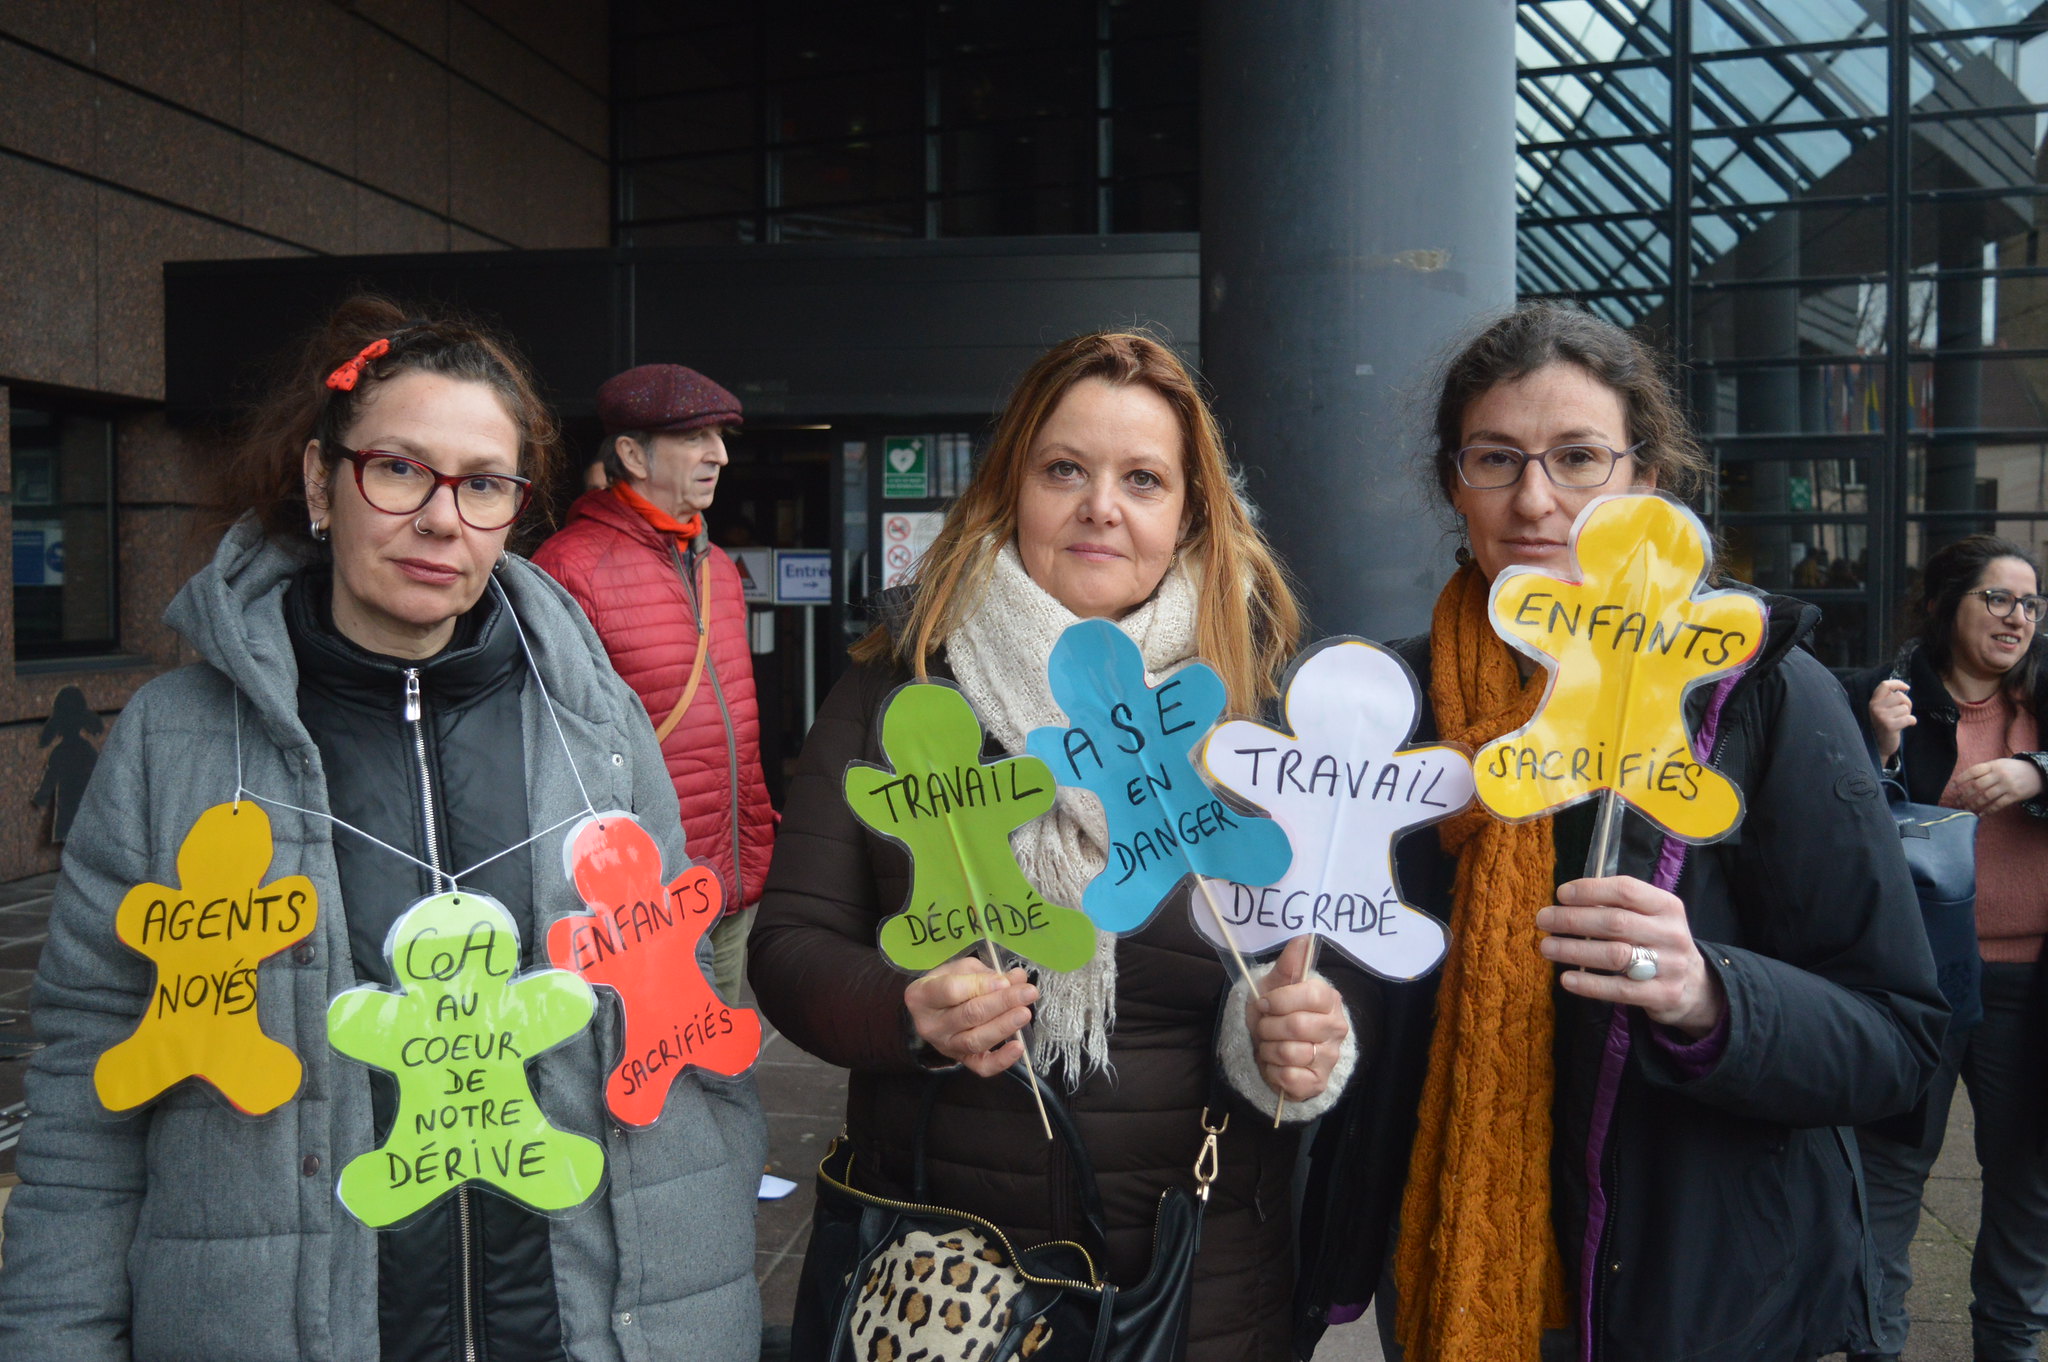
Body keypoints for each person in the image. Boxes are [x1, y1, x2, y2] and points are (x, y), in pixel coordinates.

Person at [0, 298, 767, 1362]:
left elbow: (680, 1018)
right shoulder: (174, 747)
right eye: (399, 470)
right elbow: (88, 1098)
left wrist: (710, 1246)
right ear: (321, 482)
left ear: (515, 507)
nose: (443, 519)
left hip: (595, 1326)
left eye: (484, 484)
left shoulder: (595, 725)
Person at [1294, 302, 1946, 1362]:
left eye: (1577, 457)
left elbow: (1897, 1038)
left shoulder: (1756, 695)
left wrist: (1707, 995)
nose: (1534, 498)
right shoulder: (1390, 705)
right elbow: (1352, 988)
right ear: (1450, 481)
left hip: (1697, 1302)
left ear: (1642, 477)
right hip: (1437, 1266)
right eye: (1494, 458)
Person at [749, 332, 1359, 1361]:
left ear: (1188, 512)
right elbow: (791, 945)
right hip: (948, 1275)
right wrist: (905, 1011)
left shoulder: (1256, 714)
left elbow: (1304, 976)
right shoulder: (899, 692)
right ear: (1010, 489)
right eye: (1064, 469)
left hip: (1196, 1281)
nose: (1100, 507)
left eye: (1142, 479)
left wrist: (1296, 1048)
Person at [1846, 533, 2048, 1362]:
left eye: (2030, 603)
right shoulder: (1885, 698)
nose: (2017, 618)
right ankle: (1875, 1347)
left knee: (2029, 1190)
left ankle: (2010, 1349)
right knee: (1889, 1181)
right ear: (1945, 604)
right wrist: (1879, 750)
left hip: (2031, 987)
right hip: (1919, 983)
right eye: (1996, 598)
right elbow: (1838, 829)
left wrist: (2038, 770)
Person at [533, 365, 774, 1003]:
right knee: (650, 1075)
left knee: (720, 1069)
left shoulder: (717, 566)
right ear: (633, 454)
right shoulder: (567, 568)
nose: (719, 455)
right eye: (696, 438)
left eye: (720, 438)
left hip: (728, 875)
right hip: (643, 897)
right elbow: (554, 748)